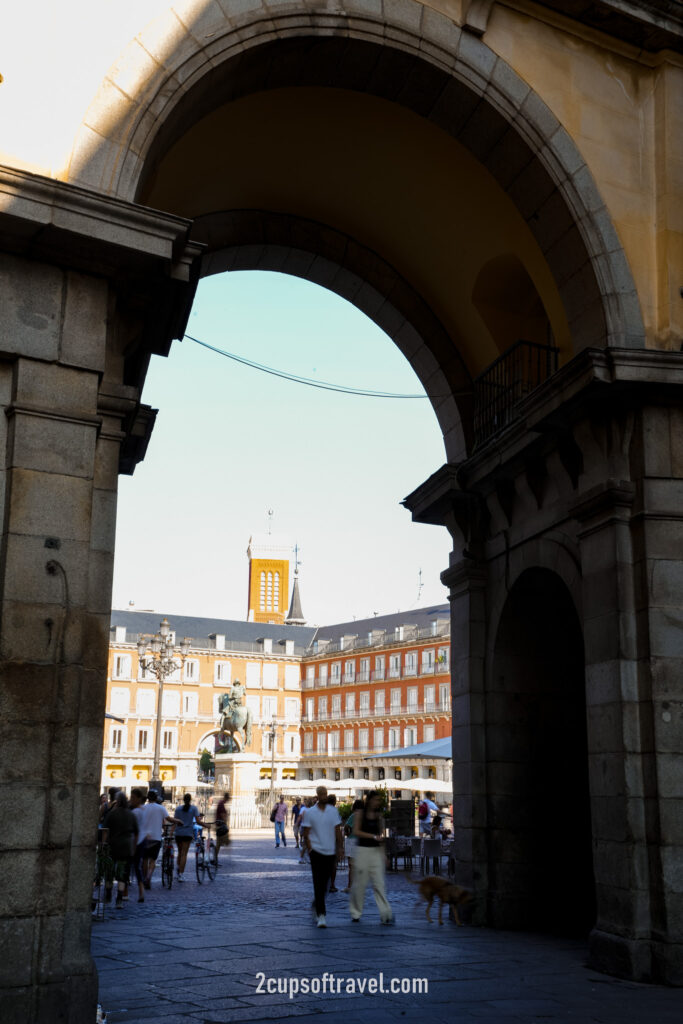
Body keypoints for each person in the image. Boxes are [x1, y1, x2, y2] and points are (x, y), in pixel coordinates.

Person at [301, 786, 343, 928]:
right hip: (316, 852)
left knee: (325, 884)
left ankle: (317, 904)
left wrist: (340, 848)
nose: (324, 796)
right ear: (317, 796)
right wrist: (310, 848)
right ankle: (321, 915)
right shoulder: (310, 812)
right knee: (318, 883)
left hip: (330, 852)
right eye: (322, 794)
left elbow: (338, 831)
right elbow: (306, 832)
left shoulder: (333, 811)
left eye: (325, 794)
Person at [349, 791, 393, 925]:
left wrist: (384, 854)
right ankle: (356, 912)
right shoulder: (359, 814)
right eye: (375, 800)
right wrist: (372, 836)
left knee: (379, 883)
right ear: (369, 800)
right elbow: (356, 831)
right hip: (362, 851)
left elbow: (381, 836)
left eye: (379, 800)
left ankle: (386, 914)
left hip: (375, 852)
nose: (377, 802)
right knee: (360, 884)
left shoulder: (379, 816)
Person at [103, 792, 138, 907]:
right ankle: (119, 899)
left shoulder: (112, 814)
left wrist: (104, 845)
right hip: (126, 847)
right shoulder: (131, 815)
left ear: (117, 801)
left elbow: (105, 831)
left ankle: (108, 895)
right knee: (123, 874)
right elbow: (136, 832)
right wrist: (134, 847)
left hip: (112, 846)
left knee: (109, 872)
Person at [142, 790, 180, 888]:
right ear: (156, 798)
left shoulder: (143, 808)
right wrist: (178, 821)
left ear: (147, 798)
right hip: (156, 837)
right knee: (153, 860)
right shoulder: (160, 808)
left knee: (145, 859)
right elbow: (169, 819)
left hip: (145, 837)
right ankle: (148, 877)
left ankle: (145, 878)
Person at [174, 793, 203, 881]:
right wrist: (206, 825)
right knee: (184, 854)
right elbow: (198, 821)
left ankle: (178, 870)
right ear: (190, 800)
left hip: (178, 833)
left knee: (179, 852)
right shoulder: (194, 808)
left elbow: (175, 820)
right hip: (187, 833)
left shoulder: (178, 809)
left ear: (183, 799)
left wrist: (171, 832)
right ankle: (181, 874)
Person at [129, 788, 148, 903]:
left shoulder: (135, 812)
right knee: (138, 867)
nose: (131, 800)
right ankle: (141, 890)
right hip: (143, 840)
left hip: (135, 841)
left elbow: (132, 829)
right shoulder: (144, 810)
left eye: (133, 798)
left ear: (138, 799)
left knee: (128, 867)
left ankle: (124, 893)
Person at [343, 799, 364, 893]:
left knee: (351, 866)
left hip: (352, 841)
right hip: (361, 842)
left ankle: (350, 886)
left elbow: (346, 826)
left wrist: (347, 832)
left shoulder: (354, 815)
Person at [215, 792, 231, 858]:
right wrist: (225, 824)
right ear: (226, 798)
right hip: (220, 825)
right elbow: (222, 815)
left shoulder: (221, 803)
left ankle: (215, 857)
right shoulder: (221, 804)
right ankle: (215, 857)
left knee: (218, 843)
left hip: (219, 824)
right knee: (225, 841)